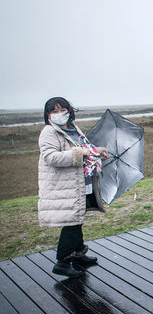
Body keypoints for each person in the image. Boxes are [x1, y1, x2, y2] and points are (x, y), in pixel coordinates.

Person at [38, 97, 109, 277]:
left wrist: (97, 152)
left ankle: (78, 254)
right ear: (48, 115)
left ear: (69, 111)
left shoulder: (73, 128)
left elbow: (85, 148)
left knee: (78, 217)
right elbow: (51, 157)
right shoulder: (49, 132)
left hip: (79, 182)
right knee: (71, 222)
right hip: (64, 185)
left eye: (62, 110)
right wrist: (81, 152)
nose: (59, 114)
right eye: (54, 111)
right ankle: (62, 262)